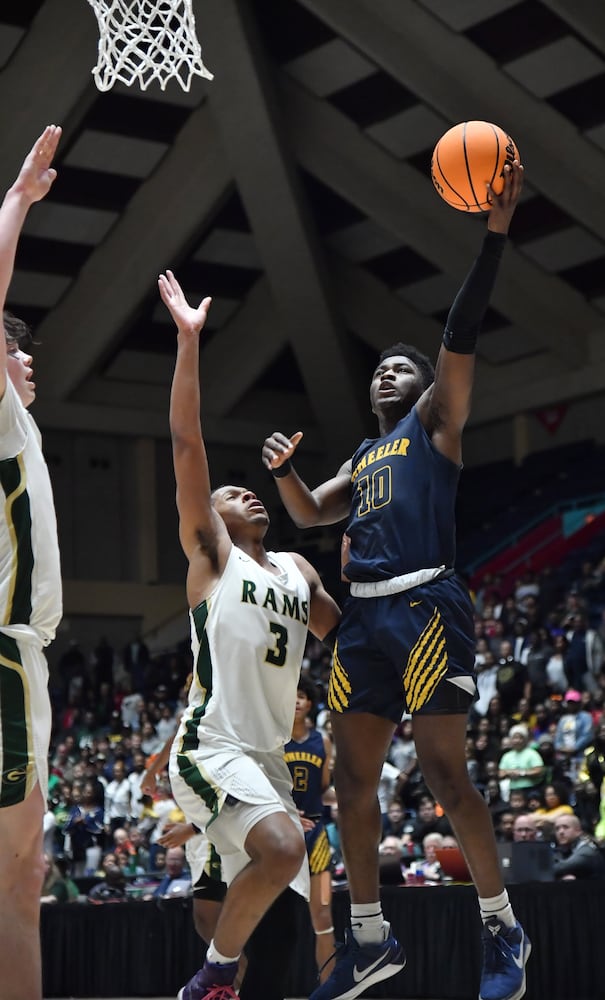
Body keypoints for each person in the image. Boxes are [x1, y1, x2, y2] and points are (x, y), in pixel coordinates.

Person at [262, 160, 529, 1000]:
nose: (387, 371)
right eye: (378, 367)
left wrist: (492, 235)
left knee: (447, 776)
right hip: (361, 624)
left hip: (423, 604)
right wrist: (282, 474)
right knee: (349, 782)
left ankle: (500, 927)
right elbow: (308, 516)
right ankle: (371, 940)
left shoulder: (434, 424)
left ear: (422, 389)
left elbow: (459, 331)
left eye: (400, 366)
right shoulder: (365, 453)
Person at [157, 269, 341, 1000]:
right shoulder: (212, 554)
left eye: (250, 490)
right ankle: (211, 980)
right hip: (212, 746)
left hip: (265, 759)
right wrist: (189, 343)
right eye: (232, 492)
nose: (245, 493)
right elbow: (183, 441)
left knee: (292, 891)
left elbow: (340, 630)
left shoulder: (298, 567)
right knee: (281, 850)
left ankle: (230, 979)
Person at [0, 124, 63, 1000]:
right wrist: (14, 202)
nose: (27, 359)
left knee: (26, 878)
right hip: (4, 657)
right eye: (18, 348)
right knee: (12, 872)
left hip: (23, 662)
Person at [284, 674, 336, 981]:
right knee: (272, 917)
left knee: (324, 915)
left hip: (317, 834)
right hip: (281, 834)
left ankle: (327, 985)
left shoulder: (323, 741)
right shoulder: (273, 741)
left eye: (301, 696)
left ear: (310, 703)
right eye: (291, 695)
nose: (296, 701)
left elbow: (324, 788)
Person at [552, 813, 605, 880]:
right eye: (557, 829)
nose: (561, 832)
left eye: (566, 827)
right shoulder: (565, 849)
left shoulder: (587, 850)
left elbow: (559, 868)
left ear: (578, 831)